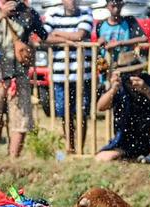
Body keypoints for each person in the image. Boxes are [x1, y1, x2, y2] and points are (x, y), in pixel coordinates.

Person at [0, 0, 45, 156]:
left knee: (21, 120)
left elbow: (43, 33)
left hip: (18, 74)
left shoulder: (27, 12)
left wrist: (30, 18)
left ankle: (13, 160)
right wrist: (1, 16)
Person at [43, 0, 94, 153]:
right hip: (60, 74)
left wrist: (57, 33)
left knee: (82, 112)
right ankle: (70, 147)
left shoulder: (86, 12)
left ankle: (80, 148)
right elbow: (43, 36)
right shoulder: (53, 13)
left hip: (81, 73)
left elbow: (79, 35)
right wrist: (66, 39)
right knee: (64, 113)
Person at [95, 0, 145, 64]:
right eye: (113, 6)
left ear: (122, 5)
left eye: (118, 6)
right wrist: (100, 41)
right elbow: (99, 44)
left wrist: (120, 43)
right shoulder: (100, 24)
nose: (116, 9)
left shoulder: (130, 21)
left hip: (125, 63)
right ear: (107, 6)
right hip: (106, 64)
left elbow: (143, 38)